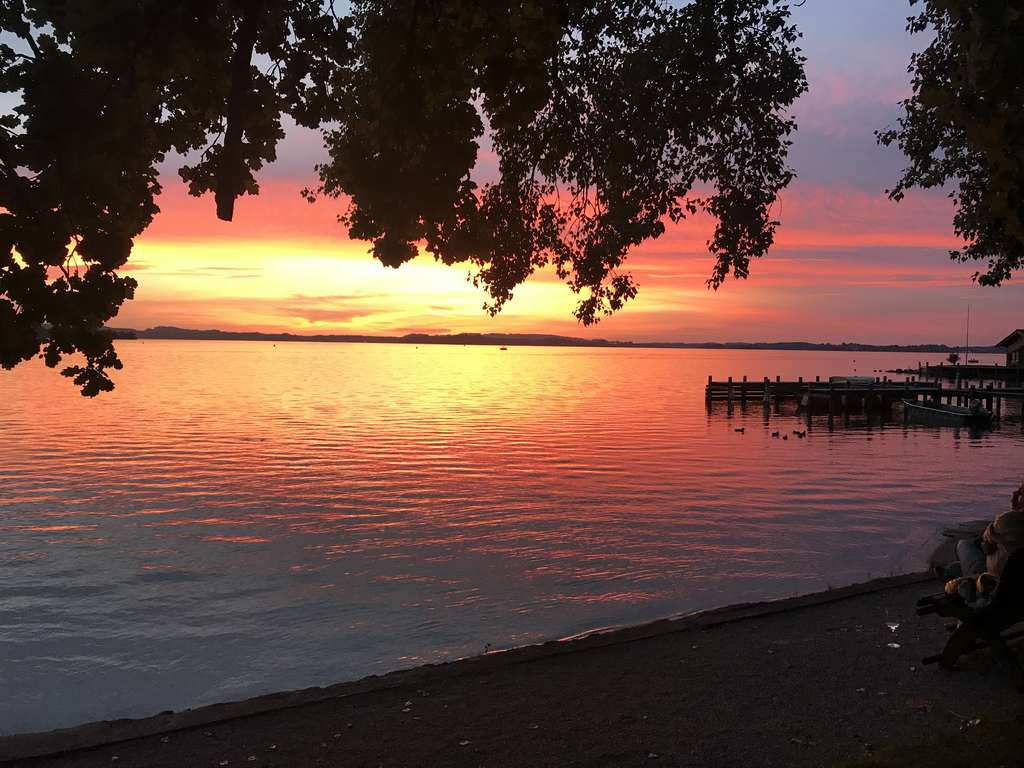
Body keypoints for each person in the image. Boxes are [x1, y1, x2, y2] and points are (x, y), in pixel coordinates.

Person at [955, 481, 1024, 579]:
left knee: (963, 544)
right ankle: (949, 572)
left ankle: (962, 579)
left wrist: (1014, 510)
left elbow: (985, 538)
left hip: (993, 580)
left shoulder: (1008, 520)